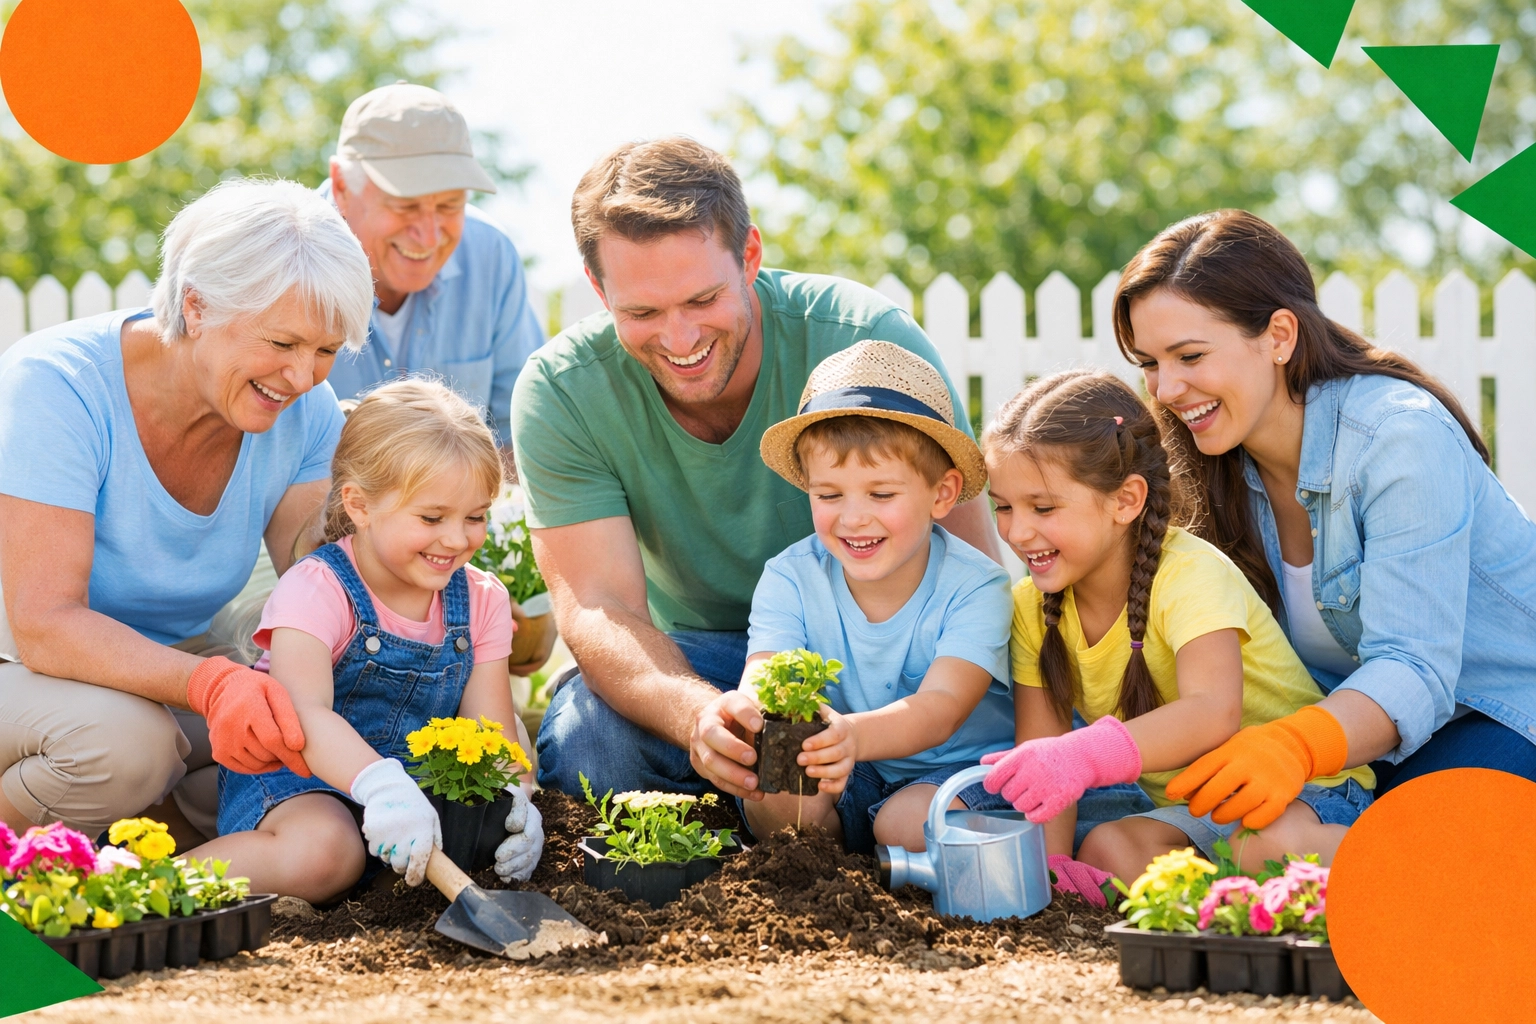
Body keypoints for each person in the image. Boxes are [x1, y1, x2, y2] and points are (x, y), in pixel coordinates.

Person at [511, 137, 1001, 800]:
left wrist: (883, 721)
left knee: (910, 764)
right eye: (642, 312)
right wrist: (699, 716)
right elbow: (601, 606)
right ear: (599, 290)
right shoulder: (563, 389)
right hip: (696, 653)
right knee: (588, 747)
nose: (679, 340)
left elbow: (967, 564)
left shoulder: (866, 343)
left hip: (874, 658)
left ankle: (825, 816)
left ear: (750, 257)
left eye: (701, 299)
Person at [1110, 211, 1536, 829]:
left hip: (1499, 712)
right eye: (1149, 363)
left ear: (1280, 335)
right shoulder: (1210, 462)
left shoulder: (1399, 438)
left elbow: (1414, 670)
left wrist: (1294, 746)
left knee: (1414, 865)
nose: (1168, 388)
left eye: (1190, 355)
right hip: (1356, 734)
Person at [0, 179, 374, 843]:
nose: (304, 377)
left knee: (301, 729)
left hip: (168, 666)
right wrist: (210, 686)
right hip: (23, 663)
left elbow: (314, 586)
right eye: (282, 344)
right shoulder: (56, 385)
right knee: (127, 750)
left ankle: (137, 840)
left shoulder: (305, 414)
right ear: (196, 306)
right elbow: (46, 624)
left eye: (324, 351)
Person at [979, 370, 1374, 899]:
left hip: (1301, 790)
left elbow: (1212, 712)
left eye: (1043, 507)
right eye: (1003, 506)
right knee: (1104, 851)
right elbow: (1046, 764)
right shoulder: (1032, 609)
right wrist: (1047, 869)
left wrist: (1085, 755)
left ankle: (1404, 863)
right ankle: (1243, 899)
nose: (1017, 531)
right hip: (1196, 810)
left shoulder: (1189, 574)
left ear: (1126, 500)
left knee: (1259, 849)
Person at [193, 381, 543, 902]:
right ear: (359, 505)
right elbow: (303, 717)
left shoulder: (481, 600)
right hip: (301, 780)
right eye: (431, 517)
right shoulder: (318, 587)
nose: (456, 539)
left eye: (475, 517)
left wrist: (520, 798)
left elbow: (491, 730)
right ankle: (130, 885)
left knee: (486, 831)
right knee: (326, 853)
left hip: (415, 792)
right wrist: (379, 785)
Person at [724, 342, 1013, 855]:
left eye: (881, 494)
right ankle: (828, 870)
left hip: (958, 775)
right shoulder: (791, 577)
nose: (853, 518)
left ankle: (886, 861)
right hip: (851, 765)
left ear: (942, 495)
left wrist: (849, 736)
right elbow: (765, 674)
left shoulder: (976, 585)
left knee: (905, 824)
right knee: (775, 786)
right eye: (829, 495)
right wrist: (745, 712)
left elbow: (941, 707)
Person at [324, 83, 552, 675]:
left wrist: (490, 556)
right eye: (405, 205)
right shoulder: (288, 256)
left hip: (440, 546)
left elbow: (521, 433)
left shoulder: (491, 257)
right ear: (342, 185)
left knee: (526, 635)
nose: (429, 235)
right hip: (310, 549)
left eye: (448, 206)